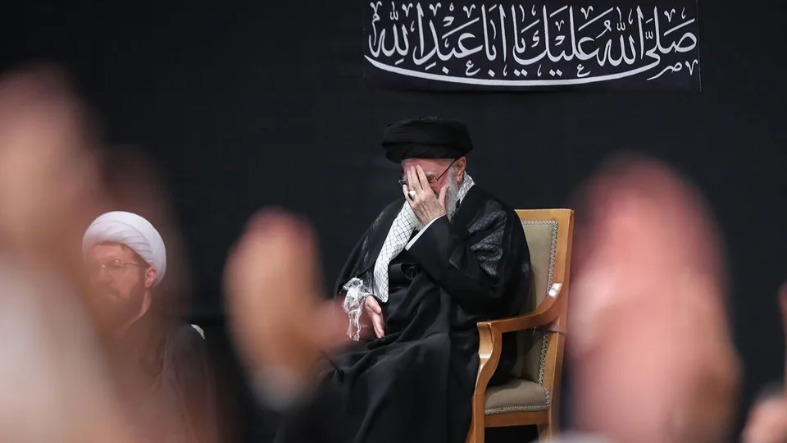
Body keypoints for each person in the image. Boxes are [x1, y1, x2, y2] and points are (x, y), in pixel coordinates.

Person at [240, 117, 531, 442]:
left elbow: (489, 295)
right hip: (393, 339)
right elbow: (357, 278)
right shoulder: (395, 215)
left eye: (429, 180)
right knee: (322, 373)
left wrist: (435, 225)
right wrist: (364, 299)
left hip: (455, 344)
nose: (419, 195)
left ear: (459, 168)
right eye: (410, 182)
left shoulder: (492, 217)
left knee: (387, 377)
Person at [83, 211, 217, 443]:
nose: (102, 278)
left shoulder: (177, 344)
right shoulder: (84, 350)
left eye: (116, 265)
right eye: (95, 268)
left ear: (149, 276)